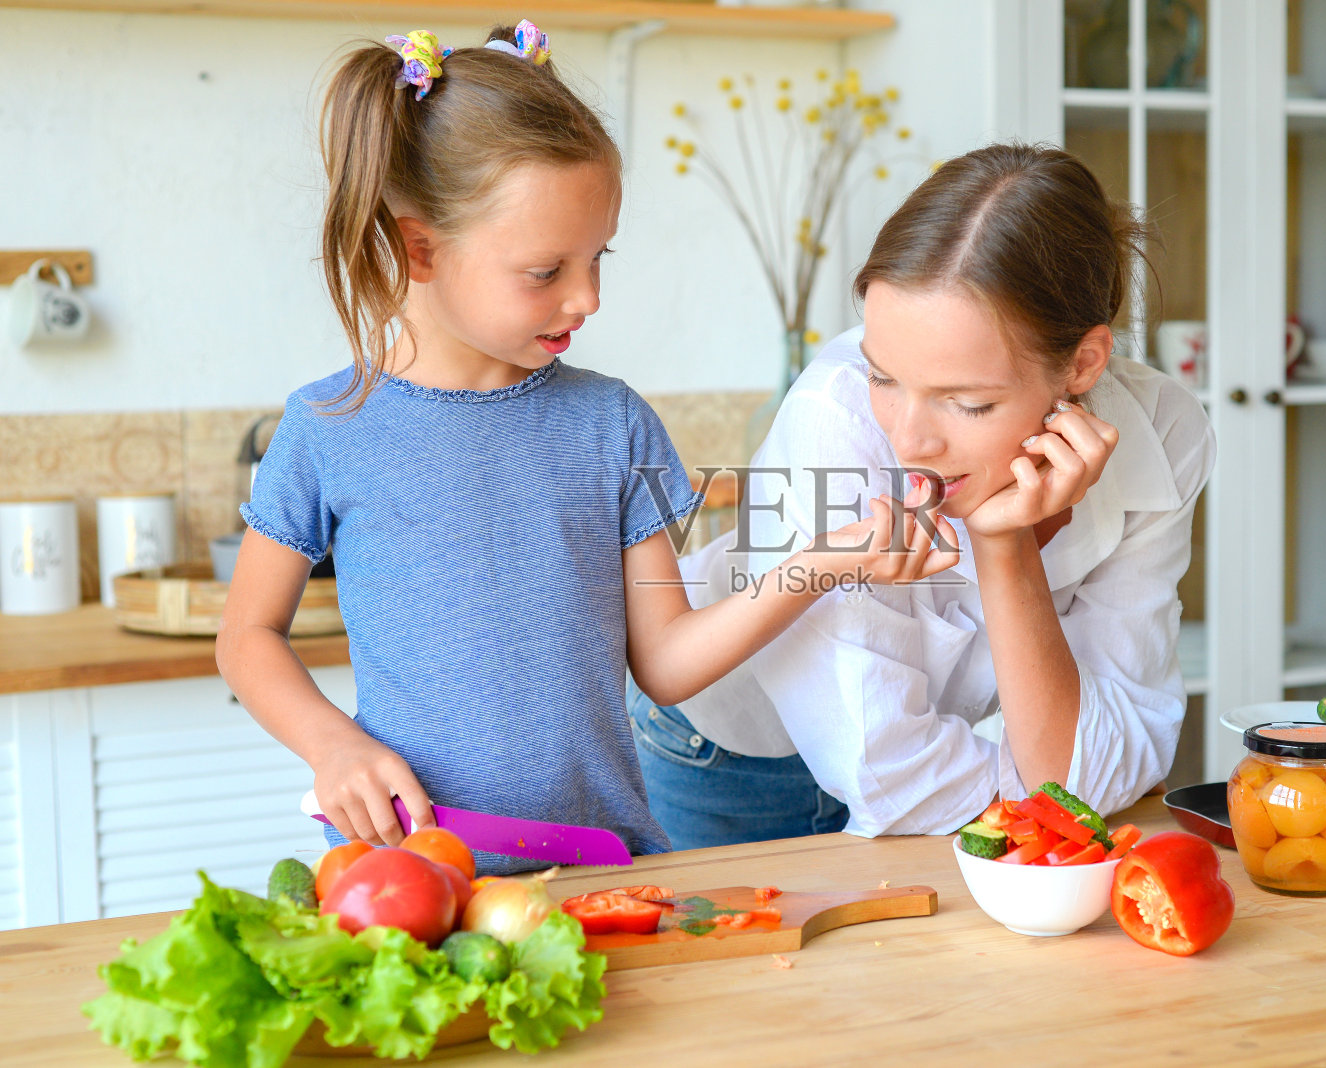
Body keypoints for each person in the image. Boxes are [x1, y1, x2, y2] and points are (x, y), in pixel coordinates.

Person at [216, 21, 955, 873]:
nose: (588, 296)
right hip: (406, 876)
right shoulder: (328, 427)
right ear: (421, 247)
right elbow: (248, 637)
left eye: (599, 257)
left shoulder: (612, 423)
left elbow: (669, 665)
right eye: (546, 271)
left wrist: (827, 561)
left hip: (600, 870)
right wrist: (330, 746)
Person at [631, 142, 1217, 848]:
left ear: (1084, 364)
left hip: (948, 763)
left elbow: (1100, 759)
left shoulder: (1165, 435)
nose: (909, 439)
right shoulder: (831, 419)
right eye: (882, 375)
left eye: (965, 403)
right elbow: (896, 777)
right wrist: (1051, 788)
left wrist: (1005, 547)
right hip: (726, 760)